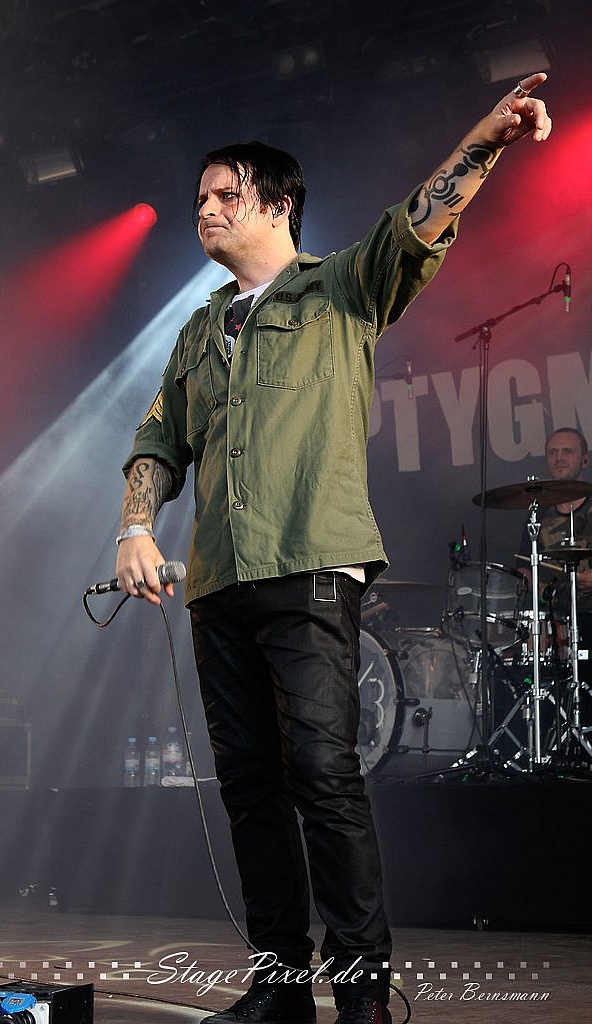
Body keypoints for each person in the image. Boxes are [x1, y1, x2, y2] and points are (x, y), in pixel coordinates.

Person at [115, 74, 552, 1024]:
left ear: (279, 206)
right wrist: (135, 528)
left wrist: (486, 138)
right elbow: (157, 440)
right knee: (249, 786)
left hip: (311, 565)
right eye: (198, 199)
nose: (205, 209)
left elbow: (419, 221)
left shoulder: (341, 287)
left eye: (225, 195)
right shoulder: (197, 330)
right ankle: (278, 988)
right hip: (218, 581)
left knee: (321, 771)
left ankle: (360, 990)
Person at [519, 428, 592, 669]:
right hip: (557, 624)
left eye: (567, 451)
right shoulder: (538, 513)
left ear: (584, 459)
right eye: (553, 452)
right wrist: (540, 599)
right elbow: (524, 568)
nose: (559, 457)